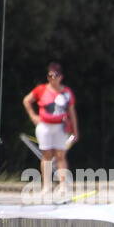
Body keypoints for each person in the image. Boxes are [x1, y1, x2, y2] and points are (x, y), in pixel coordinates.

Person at [22, 62, 79, 200]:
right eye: (50, 76)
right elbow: (27, 100)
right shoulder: (41, 89)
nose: (53, 78)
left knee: (60, 155)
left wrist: (75, 130)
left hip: (61, 126)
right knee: (46, 155)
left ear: (61, 77)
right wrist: (33, 116)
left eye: (55, 75)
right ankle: (46, 186)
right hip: (45, 126)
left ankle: (63, 185)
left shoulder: (66, 93)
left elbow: (71, 111)